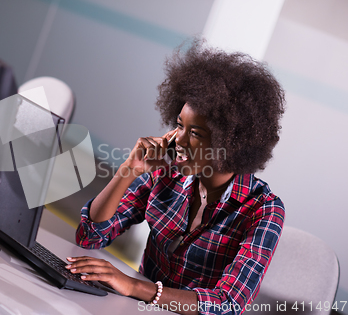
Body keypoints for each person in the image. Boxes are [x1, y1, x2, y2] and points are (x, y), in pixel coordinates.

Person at [65, 40, 286, 315]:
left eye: (195, 134)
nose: (178, 140)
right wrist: (129, 169)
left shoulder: (263, 210)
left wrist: (134, 287)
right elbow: (90, 236)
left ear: (231, 144)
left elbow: (227, 304)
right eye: (180, 125)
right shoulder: (165, 174)